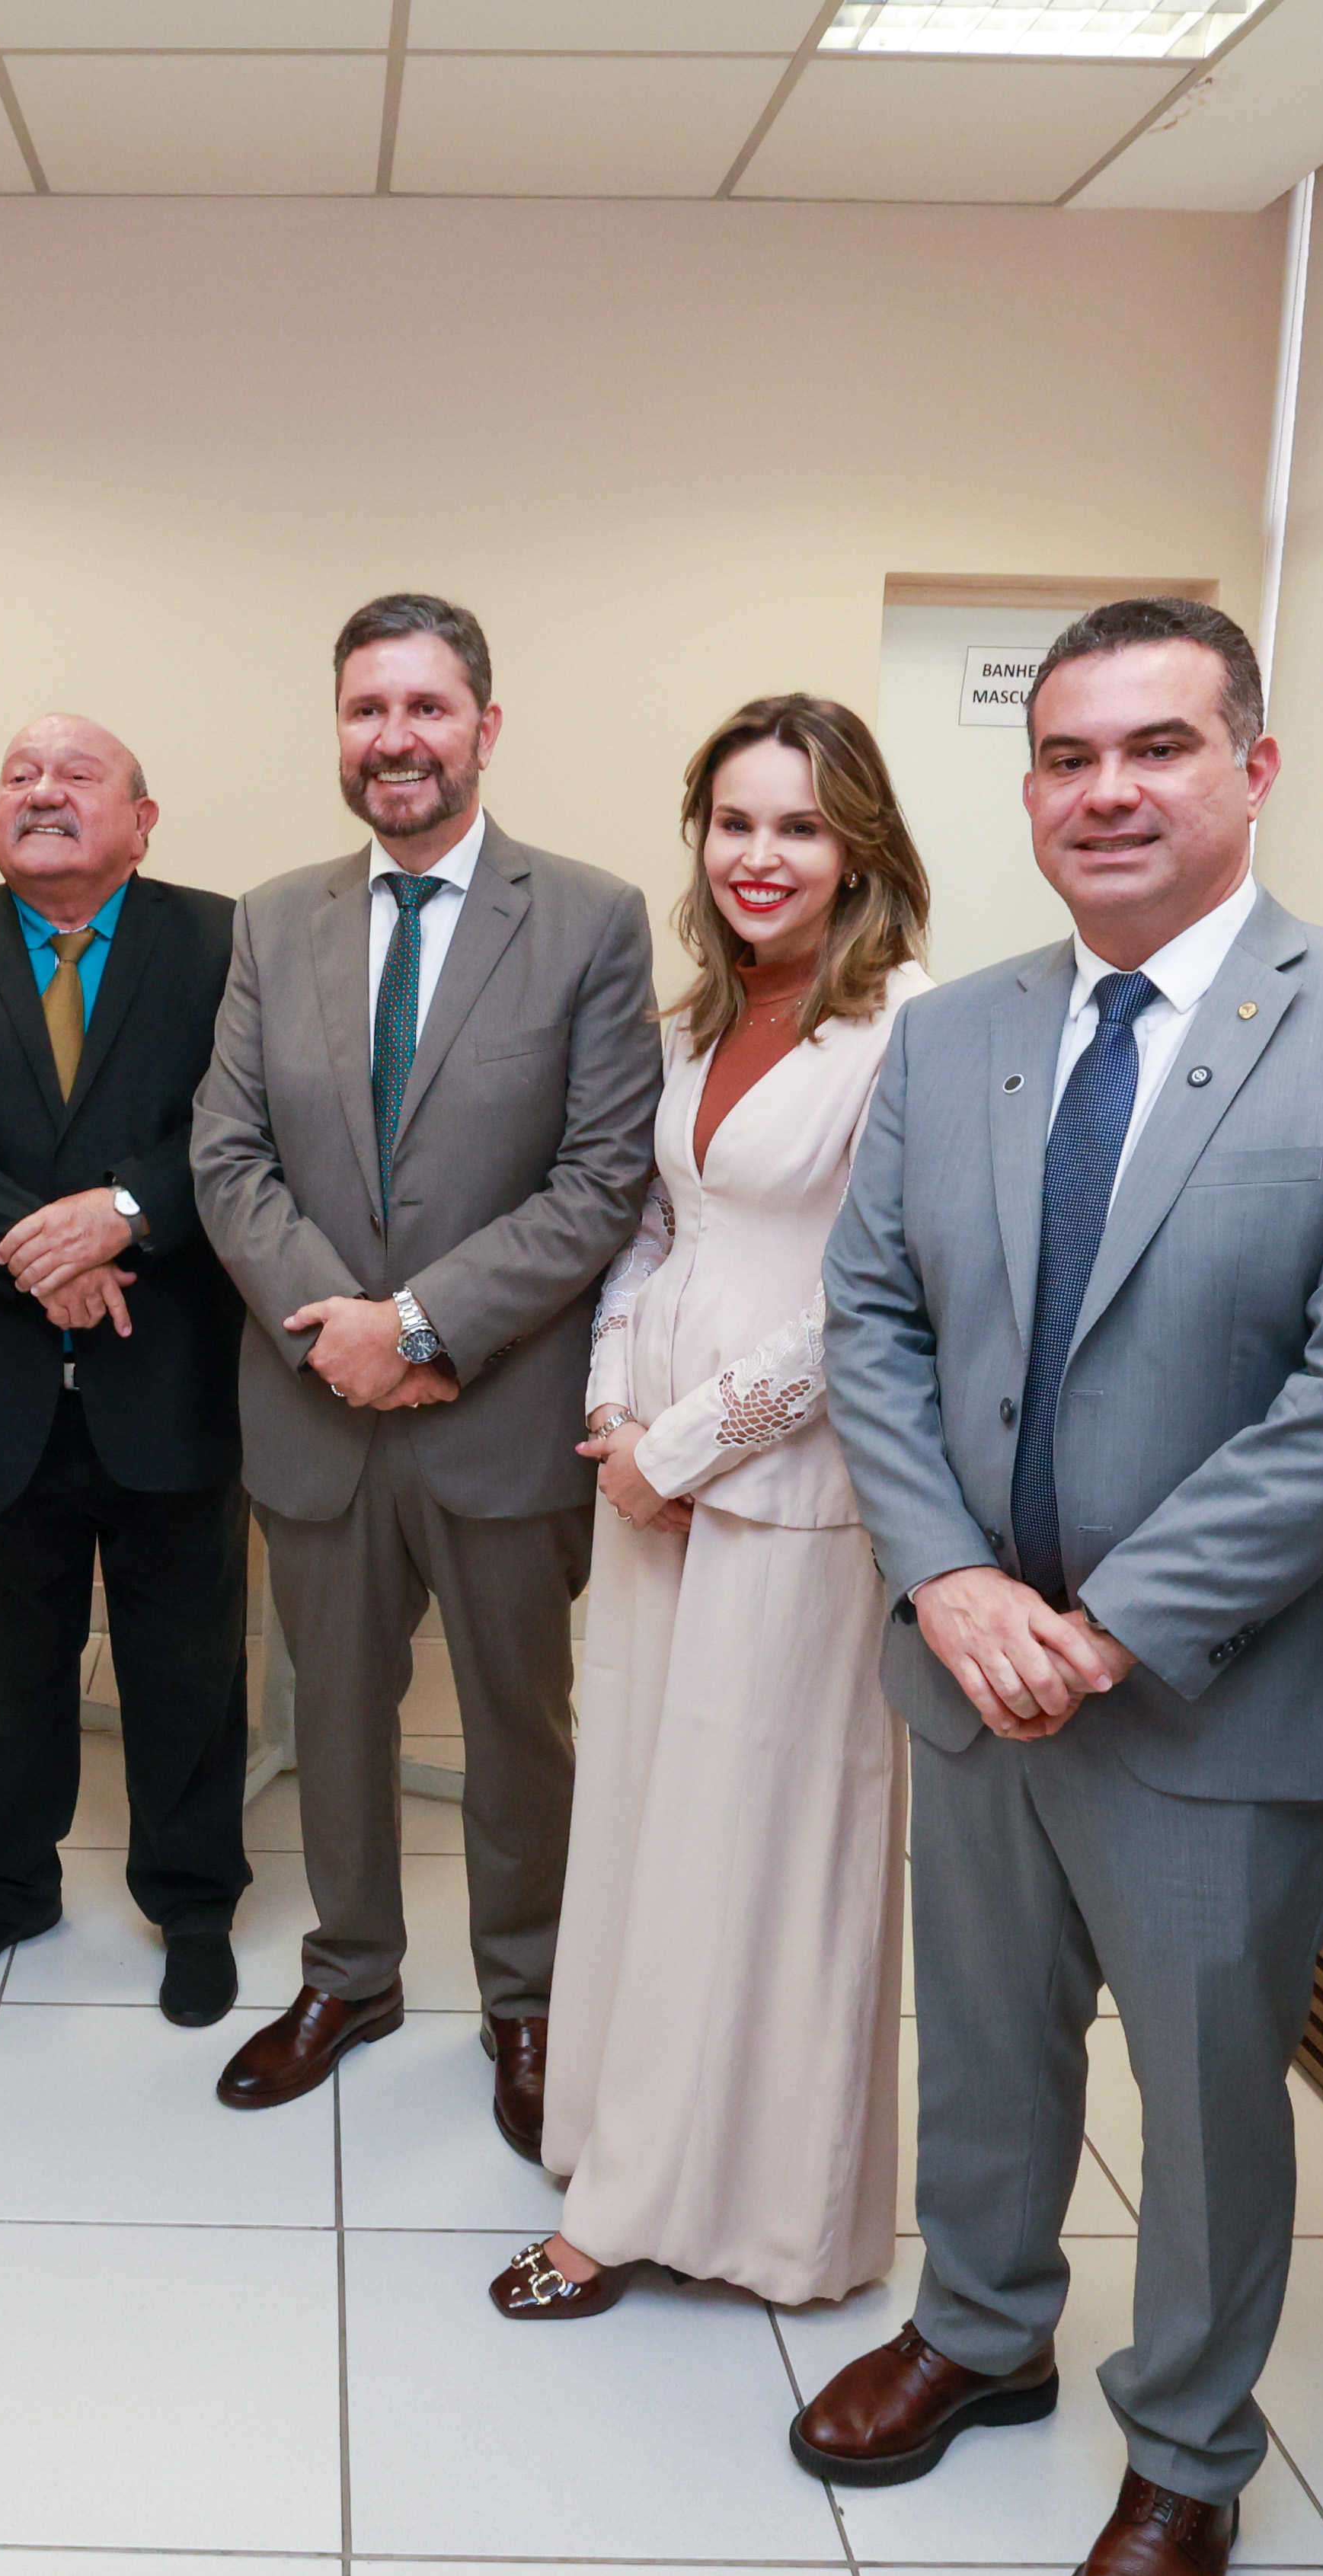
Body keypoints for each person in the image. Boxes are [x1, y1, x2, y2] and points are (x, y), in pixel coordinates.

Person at [807, 598, 1323, 2576]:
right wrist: (949, 1582)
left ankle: (1188, 2456)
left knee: (1206, 2100)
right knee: (985, 2037)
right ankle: (979, 2330)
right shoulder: (955, 1032)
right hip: (970, 1666)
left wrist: (1108, 1627)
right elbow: (873, 1320)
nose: (1106, 791)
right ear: (1027, 791)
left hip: (1219, 1685)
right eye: (1067, 756)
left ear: (1253, 769)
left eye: (1159, 747)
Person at [190, 593, 663, 2148]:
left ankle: (527, 1999)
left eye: (426, 707)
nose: (395, 738)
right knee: (335, 1714)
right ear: (341, 732)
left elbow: (602, 1176)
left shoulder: (588, 917)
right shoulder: (274, 919)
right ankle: (352, 1975)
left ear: (485, 726)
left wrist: (420, 1326)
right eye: (366, 709)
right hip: (315, 1407)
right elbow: (228, 1153)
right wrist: (342, 1328)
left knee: (521, 1730)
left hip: (499, 1413)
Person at [493, 695, 932, 2322]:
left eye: (801, 826)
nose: (762, 855)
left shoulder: (909, 1031)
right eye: (735, 822)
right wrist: (614, 1414)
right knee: (642, 1828)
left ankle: (722, 2212)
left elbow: (868, 1298)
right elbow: (649, 1235)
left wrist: (680, 1449)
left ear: (859, 849)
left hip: (786, 1497)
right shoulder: (694, 1018)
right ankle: (621, 2142)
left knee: (755, 1853)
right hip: (646, 1483)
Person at [0, 716, 252, 2023]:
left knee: (186, 1661)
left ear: (143, 819)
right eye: (20, 775)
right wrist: (46, 1248)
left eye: (78, 776)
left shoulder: (229, 944)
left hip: (173, 1370)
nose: (43, 792)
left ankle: (193, 1897)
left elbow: (253, 1121)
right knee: (3, 1664)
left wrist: (127, 1212)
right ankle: (5, 1886)